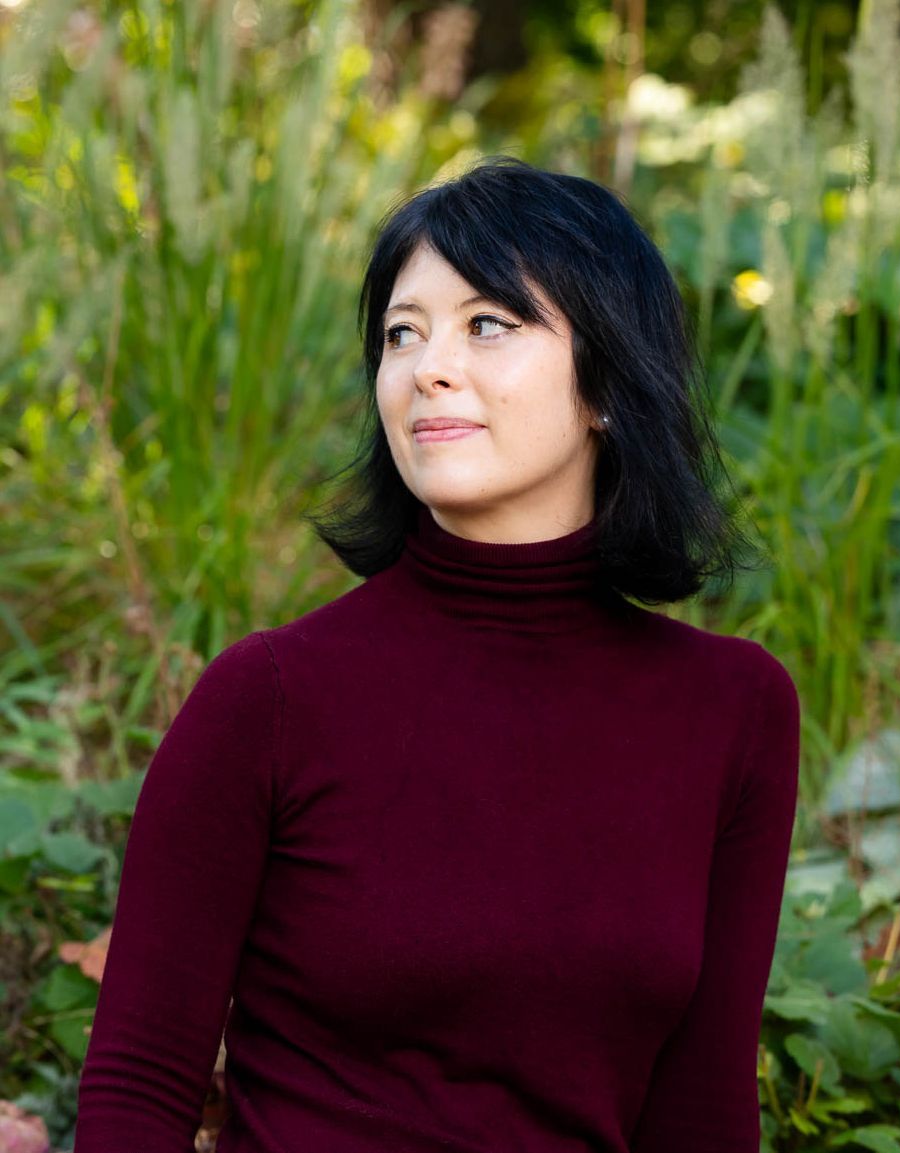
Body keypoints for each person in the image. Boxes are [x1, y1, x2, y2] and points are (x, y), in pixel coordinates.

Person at [74, 157, 800, 1152]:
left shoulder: (730, 709)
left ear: (606, 383)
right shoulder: (271, 698)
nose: (427, 367)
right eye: (399, 333)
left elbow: (702, 1108)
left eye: (486, 324)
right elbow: (139, 1087)